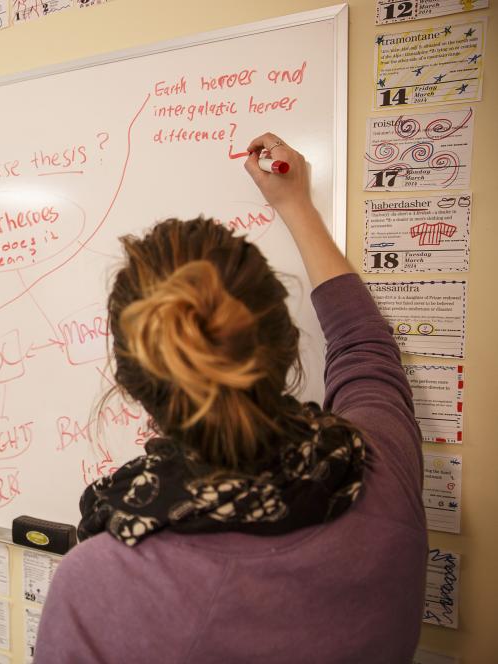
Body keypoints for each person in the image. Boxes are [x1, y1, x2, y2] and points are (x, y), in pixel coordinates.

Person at [34, 134, 427, 663]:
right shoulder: (380, 469)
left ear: (128, 385)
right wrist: (296, 206)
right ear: (287, 343)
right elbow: (364, 346)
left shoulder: (100, 583)